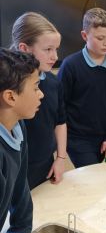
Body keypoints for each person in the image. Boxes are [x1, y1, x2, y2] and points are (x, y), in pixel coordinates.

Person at [58, 7, 106, 168]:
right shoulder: (70, 65)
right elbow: (60, 104)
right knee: (92, 174)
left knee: (98, 176)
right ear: (84, 35)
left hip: (105, 137)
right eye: (100, 38)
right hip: (77, 138)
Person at [11, 12, 67, 189]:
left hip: (44, 165)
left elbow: (60, 121)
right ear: (24, 48)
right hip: (15, 167)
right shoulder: (7, 87)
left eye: (56, 49)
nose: (55, 56)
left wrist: (60, 158)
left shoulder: (52, 82)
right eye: (48, 49)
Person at [0, 49, 43, 233]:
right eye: (35, 88)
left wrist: (19, 229)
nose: (41, 94)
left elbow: (19, 183)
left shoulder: (17, 125)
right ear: (10, 97)